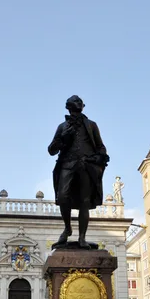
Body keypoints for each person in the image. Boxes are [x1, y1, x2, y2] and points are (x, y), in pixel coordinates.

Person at [48, 95, 109, 249]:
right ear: (68, 106)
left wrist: (100, 158)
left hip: (86, 166)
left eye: (81, 102)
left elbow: (101, 146)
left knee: (85, 201)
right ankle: (68, 228)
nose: (80, 104)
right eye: (76, 102)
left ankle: (82, 238)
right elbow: (51, 150)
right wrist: (63, 137)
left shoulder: (91, 125)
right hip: (67, 165)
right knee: (62, 196)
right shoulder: (62, 127)